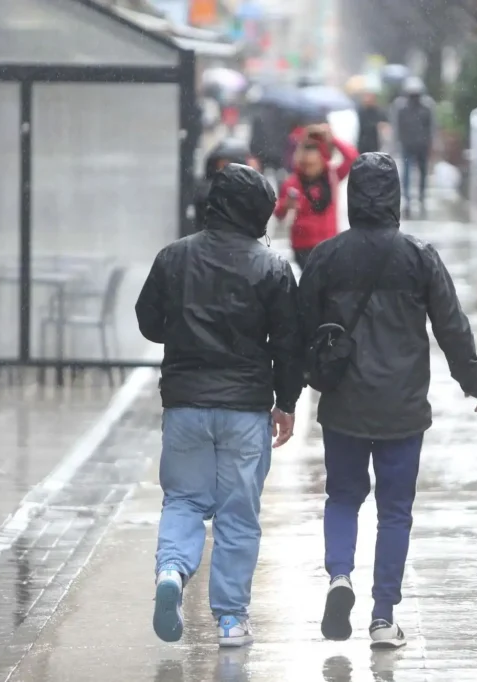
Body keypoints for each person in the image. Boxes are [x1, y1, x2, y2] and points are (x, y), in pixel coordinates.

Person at [298, 153, 477, 649]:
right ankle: (383, 617)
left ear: (352, 196)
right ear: (395, 197)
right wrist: (473, 380)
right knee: (395, 510)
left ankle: (340, 576)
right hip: (403, 407)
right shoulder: (418, 256)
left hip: (343, 404)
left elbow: (299, 331)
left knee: (342, 497)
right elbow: (451, 324)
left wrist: (285, 394)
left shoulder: (326, 256)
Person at [135, 163, 303, 649]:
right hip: (245, 409)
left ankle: (172, 569)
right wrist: (286, 401)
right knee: (237, 514)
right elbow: (289, 342)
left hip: (185, 404)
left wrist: (185, 337)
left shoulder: (174, 257)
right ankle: (230, 619)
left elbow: (149, 320)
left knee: (184, 499)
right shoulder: (270, 267)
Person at [275, 124, 359, 270]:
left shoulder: (332, 176)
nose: (309, 167)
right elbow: (278, 213)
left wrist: (332, 139)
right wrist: (286, 205)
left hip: (329, 243)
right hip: (303, 246)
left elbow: (353, 158)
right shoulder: (292, 182)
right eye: (306, 164)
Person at [394, 77, 436, 219]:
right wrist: (396, 144)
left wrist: (431, 144)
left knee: (423, 173)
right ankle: (407, 200)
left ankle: (421, 197)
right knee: (406, 174)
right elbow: (397, 128)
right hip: (407, 145)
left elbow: (431, 128)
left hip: (422, 146)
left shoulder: (427, 107)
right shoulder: (401, 107)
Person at [192, 138, 253, 232]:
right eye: (222, 163)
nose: (224, 167)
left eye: (228, 163)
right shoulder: (207, 188)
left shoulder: (246, 188)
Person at [356, 89, 388, 154]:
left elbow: (385, 124)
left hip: (375, 142)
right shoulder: (360, 111)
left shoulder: (379, 111)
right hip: (362, 142)